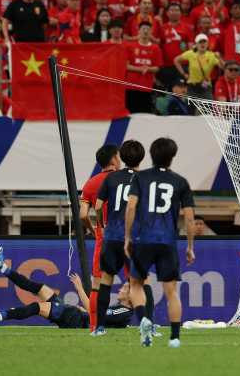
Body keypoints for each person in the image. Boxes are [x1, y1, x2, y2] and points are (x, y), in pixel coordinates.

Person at [124, 137, 196, 348]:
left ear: (152, 156)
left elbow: (130, 208)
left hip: (143, 240)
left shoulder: (140, 177)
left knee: (135, 285)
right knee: (171, 292)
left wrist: (127, 237)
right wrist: (190, 246)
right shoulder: (180, 181)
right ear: (172, 158)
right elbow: (190, 218)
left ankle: (144, 318)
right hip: (167, 242)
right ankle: (174, 338)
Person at [0, 249, 132, 329]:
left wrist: (79, 289)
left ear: (131, 296)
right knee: (41, 288)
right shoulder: (122, 310)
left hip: (75, 320)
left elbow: (95, 315)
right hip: (77, 316)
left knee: (37, 307)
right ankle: (2, 267)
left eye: (124, 289)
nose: (120, 290)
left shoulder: (124, 311)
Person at [93, 140, 150, 336]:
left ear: (120, 158)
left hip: (111, 238)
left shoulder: (111, 178)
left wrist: (103, 224)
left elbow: (98, 206)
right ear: (142, 157)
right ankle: (147, 325)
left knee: (105, 283)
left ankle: (99, 328)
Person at [79, 143, 121, 332]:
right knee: (138, 281)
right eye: (119, 157)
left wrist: (94, 229)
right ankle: (147, 325)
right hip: (126, 235)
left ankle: (95, 327)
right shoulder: (124, 179)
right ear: (113, 161)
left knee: (98, 283)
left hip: (104, 237)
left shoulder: (91, 183)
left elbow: (82, 215)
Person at [174, 34, 224, 100]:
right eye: (200, 42)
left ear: (207, 43)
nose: (202, 44)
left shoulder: (212, 55)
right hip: (193, 84)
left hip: (206, 85)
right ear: (196, 44)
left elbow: (223, 67)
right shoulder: (191, 53)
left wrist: (219, 58)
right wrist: (184, 74)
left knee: (207, 108)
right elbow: (176, 60)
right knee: (190, 108)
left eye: (204, 42)